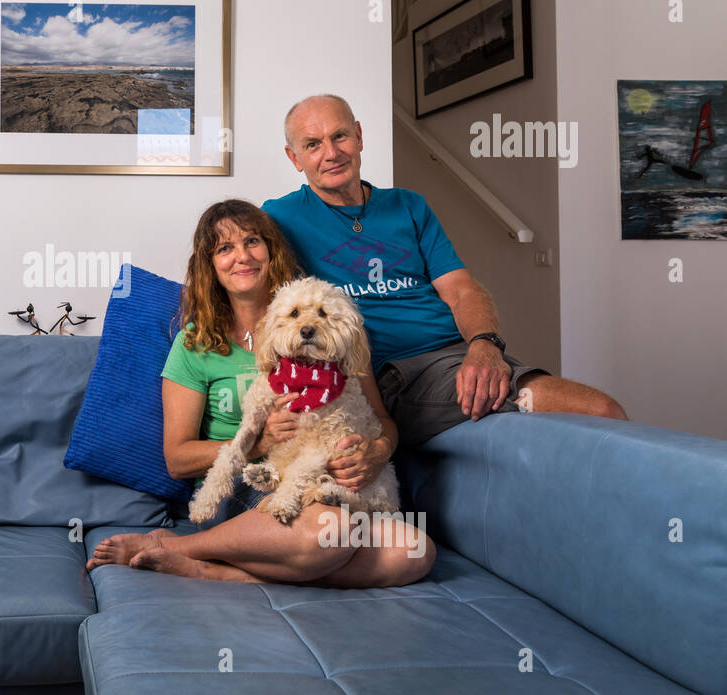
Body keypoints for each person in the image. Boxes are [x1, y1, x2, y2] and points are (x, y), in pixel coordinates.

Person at [85, 199, 435, 586]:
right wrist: (259, 441)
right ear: (210, 266)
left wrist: (377, 451)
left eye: (252, 241)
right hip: (246, 484)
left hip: (325, 483)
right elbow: (177, 459)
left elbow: (383, 422)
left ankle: (211, 570)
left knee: (414, 553)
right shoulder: (196, 343)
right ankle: (187, 548)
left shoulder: (332, 330)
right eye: (224, 248)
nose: (242, 256)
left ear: (271, 251)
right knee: (332, 530)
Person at [263, 94, 626, 446]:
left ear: (359, 136)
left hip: (460, 354)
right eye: (312, 145)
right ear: (294, 158)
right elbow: (239, 282)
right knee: (599, 411)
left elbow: (461, 290)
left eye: (339, 136)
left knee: (597, 416)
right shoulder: (280, 217)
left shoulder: (408, 205)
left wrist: (485, 346)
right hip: (397, 374)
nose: (331, 153)